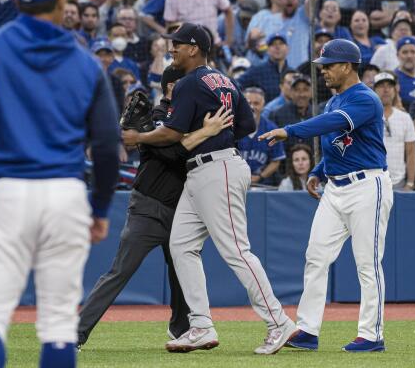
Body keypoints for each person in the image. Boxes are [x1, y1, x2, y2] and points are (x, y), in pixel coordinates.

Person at [0, 0, 121, 366]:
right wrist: (102, 209)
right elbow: (108, 146)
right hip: (65, 193)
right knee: (58, 323)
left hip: (5, 188)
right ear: (60, 1)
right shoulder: (86, 62)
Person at [122, 22, 297, 355]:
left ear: (193, 48)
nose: (171, 49)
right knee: (182, 245)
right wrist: (212, 129)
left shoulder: (189, 82)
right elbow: (247, 124)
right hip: (205, 170)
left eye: (176, 44)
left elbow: (172, 133)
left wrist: (139, 137)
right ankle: (200, 325)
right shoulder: (225, 80)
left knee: (236, 250)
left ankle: (279, 322)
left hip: (218, 169)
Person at [78, 66, 233, 348]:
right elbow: (173, 152)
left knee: (182, 272)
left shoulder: (193, 116)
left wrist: (207, 130)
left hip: (181, 210)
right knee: (120, 271)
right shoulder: (157, 116)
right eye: (183, 84)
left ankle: (181, 328)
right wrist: (206, 131)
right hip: (148, 208)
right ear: (171, 87)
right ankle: (76, 333)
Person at [259, 38, 394, 352]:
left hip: (367, 186)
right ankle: (307, 330)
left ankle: (372, 335)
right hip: (336, 188)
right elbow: (337, 141)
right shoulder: (335, 100)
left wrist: (291, 130)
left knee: (367, 263)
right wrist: (319, 170)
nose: (323, 72)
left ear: (347, 66)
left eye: (328, 66)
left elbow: (333, 124)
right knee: (316, 257)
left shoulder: (365, 98)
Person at [373, 71, 415, 190]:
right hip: (372, 183)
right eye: (381, 86)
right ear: (374, 90)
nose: (386, 90)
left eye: (389, 86)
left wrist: (410, 183)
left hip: (399, 182)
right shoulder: (366, 118)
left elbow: (411, 152)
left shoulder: (405, 117)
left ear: (395, 89)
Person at [237, 87, 285, 186]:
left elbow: (276, 161)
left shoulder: (271, 129)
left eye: (256, 103)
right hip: (236, 181)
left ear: (263, 106)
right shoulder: (233, 127)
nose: (252, 107)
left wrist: (260, 176)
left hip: (263, 184)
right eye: (248, 103)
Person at [237, 32, 290, 102]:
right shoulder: (257, 70)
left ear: (288, 48)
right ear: (267, 49)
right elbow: (236, 85)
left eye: (281, 43)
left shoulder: (291, 72)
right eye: (273, 44)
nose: (277, 47)